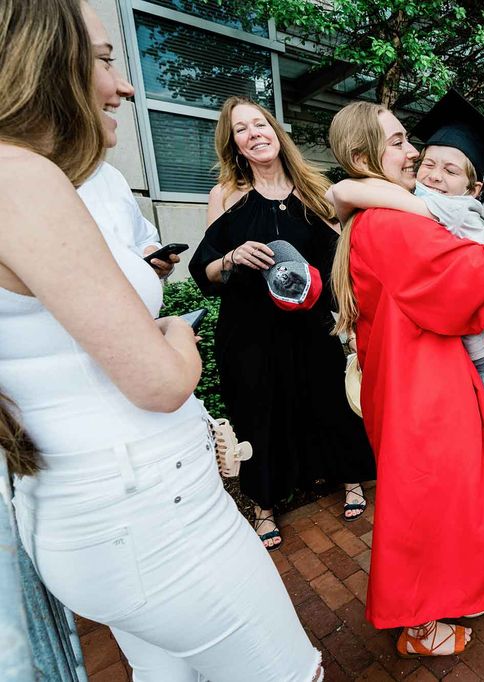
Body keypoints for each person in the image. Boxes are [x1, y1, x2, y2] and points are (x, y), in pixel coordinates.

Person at [0, 3, 322, 680]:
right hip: (151, 519)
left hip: (105, 517)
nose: (120, 87)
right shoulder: (19, 178)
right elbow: (160, 381)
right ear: (43, 58)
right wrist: (173, 330)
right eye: (107, 60)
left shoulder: (53, 181)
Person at [328, 92, 484, 651]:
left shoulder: (415, 215)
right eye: (408, 148)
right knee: (481, 489)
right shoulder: (393, 220)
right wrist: (347, 191)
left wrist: (347, 191)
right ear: (366, 151)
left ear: (476, 185)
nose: (423, 163)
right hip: (449, 377)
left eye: (449, 168)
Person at [188, 96, 375, 550]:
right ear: (232, 143)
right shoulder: (226, 195)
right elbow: (205, 269)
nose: (254, 133)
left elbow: (341, 260)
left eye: (260, 124)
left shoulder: (313, 190)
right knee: (257, 412)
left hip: (309, 326)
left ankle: (350, 478)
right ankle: (264, 505)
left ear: (276, 131)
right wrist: (231, 256)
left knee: (330, 401)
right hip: (249, 332)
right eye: (241, 129)